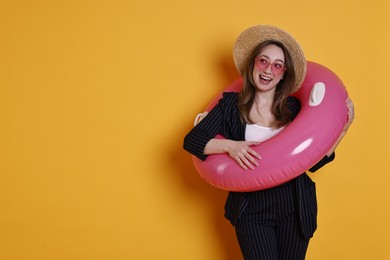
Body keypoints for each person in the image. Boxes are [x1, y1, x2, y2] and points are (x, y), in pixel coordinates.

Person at [183, 25, 354, 260]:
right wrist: (231, 146)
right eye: (263, 61)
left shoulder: (294, 110)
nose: (268, 70)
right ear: (252, 64)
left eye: (277, 65)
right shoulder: (230, 106)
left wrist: (342, 130)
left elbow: (312, 163)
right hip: (251, 210)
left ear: (283, 73)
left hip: (294, 207)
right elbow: (193, 140)